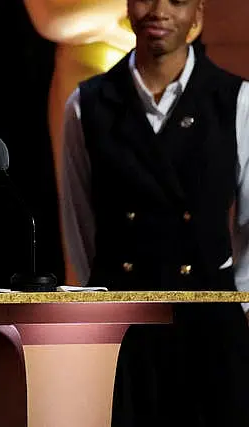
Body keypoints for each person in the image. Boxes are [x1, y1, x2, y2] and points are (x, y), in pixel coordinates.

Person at [60, 0, 248, 426]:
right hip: (121, 327)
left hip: (211, 326)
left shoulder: (236, 98)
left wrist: (230, 297)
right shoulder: (86, 103)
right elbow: (79, 224)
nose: (159, 10)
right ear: (128, 7)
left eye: (176, 1)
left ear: (197, 14)